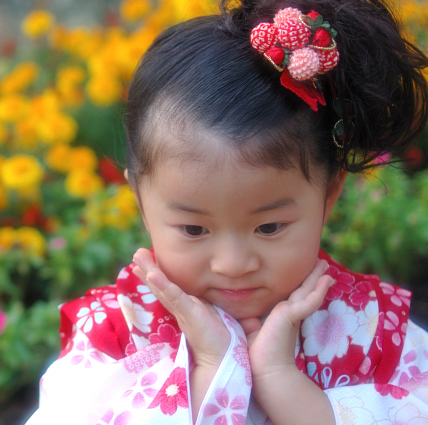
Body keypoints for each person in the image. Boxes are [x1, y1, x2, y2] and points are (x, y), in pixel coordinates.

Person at [26, 0, 428, 423]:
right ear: (140, 200)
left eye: (269, 226)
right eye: (194, 229)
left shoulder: (373, 331)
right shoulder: (116, 330)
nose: (233, 265)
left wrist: (280, 380)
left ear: (329, 193)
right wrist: (213, 371)